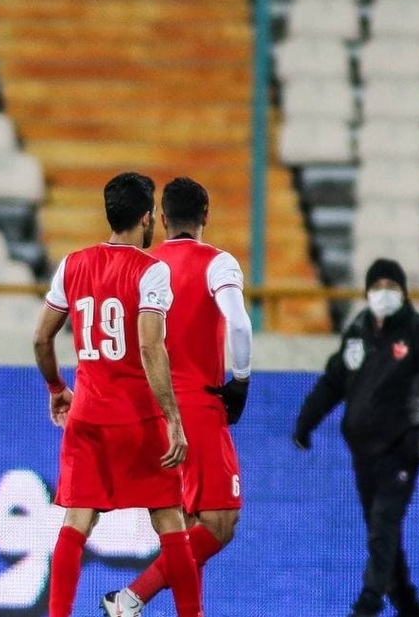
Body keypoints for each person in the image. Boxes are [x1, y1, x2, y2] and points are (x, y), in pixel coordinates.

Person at [33, 171, 203, 617]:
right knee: (169, 519)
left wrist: (56, 388)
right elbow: (149, 347)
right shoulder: (151, 270)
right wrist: (173, 418)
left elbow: (41, 338)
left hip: (87, 416)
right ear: (147, 218)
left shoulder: (72, 264)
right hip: (138, 418)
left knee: (76, 522)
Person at [102, 176, 253, 617]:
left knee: (184, 526)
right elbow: (239, 323)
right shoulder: (217, 263)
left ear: (163, 219)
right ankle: (129, 599)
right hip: (196, 405)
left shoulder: (144, 266)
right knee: (220, 522)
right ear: (206, 215)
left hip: (148, 409)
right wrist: (241, 381)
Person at [293, 258, 419, 617]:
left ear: (403, 292)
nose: (383, 293)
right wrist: (305, 423)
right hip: (363, 451)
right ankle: (408, 605)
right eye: (377, 286)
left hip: (402, 447)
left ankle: (367, 604)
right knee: (382, 531)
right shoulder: (358, 330)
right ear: (367, 291)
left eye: (391, 286)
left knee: (383, 526)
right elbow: (333, 381)